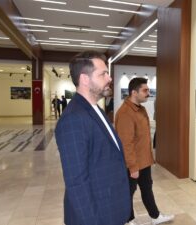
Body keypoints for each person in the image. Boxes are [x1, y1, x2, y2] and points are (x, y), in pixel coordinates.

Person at [55, 51, 131, 225]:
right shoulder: (74, 119)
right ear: (85, 79)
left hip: (110, 207)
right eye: (103, 74)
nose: (110, 78)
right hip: (97, 215)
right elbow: (76, 182)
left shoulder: (95, 110)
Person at [115, 78, 174, 225]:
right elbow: (126, 144)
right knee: (128, 192)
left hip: (144, 160)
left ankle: (155, 216)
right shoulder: (125, 113)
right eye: (145, 90)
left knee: (147, 189)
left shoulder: (141, 109)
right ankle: (128, 220)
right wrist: (133, 167)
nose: (148, 93)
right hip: (133, 163)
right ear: (134, 92)